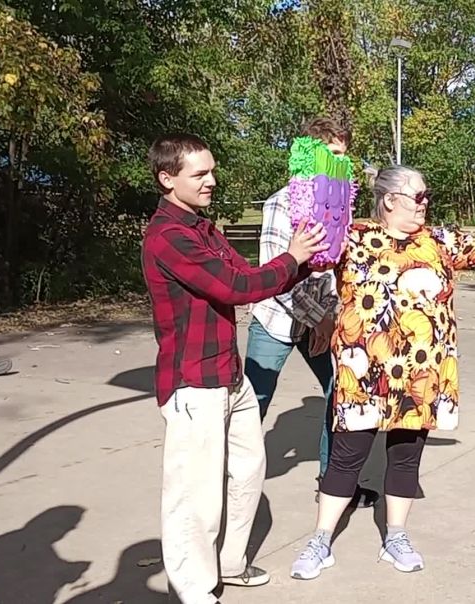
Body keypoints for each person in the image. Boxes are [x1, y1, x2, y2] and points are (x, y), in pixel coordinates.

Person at [289, 165, 475, 580]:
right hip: (363, 370)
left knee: (405, 457)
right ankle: (320, 540)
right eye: (418, 196)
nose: (425, 204)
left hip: (421, 373)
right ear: (389, 200)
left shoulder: (439, 241)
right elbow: (306, 269)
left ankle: (396, 536)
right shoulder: (353, 236)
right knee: (346, 458)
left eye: (425, 196)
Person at [141, 133, 329, 603]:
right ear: (167, 179)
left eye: (211, 170)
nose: (211, 181)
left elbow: (247, 276)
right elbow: (232, 287)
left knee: (247, 472)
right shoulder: (169, 237)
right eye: (198, 174)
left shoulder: (202, 227)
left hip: (228, 374)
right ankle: (195, 588)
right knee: (195, 495)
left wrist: (300, 264)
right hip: (193, 383)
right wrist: (294, 258)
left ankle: (230, 564)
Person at [245, 117, 379, 508]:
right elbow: (276, 272)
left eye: (344, 154)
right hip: (278, 318)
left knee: (341, 392)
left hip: (324, 316)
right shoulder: (282, 203)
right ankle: (233, 483)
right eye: (332, 153)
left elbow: (340, 268)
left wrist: (333, 315)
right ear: (312, 154)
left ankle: (334, 485)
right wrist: (317, 316)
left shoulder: (342, 206)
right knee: (253, 403)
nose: (341, 161)